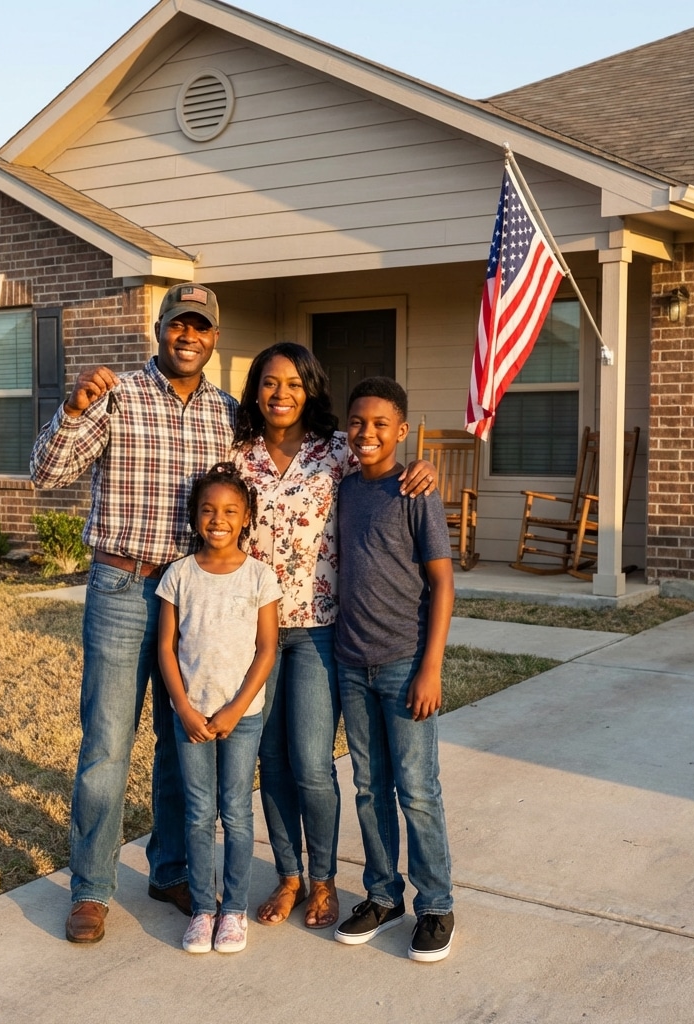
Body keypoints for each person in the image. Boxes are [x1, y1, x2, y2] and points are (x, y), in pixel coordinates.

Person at [29, 283, 235, 944]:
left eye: (200, 328)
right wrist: (72, 407)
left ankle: (170, 869)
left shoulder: (227, 414)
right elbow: (46, 473)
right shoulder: (117, 397)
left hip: (191, 594)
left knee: (181, 743)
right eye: (179, 325)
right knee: (107, 744)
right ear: (160, 328)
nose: (188, 337)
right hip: (121, 587)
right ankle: (90, 888)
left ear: (213, 338)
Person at [231, 344, 436, 930]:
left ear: (310, 390)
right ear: (256, 390)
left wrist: (427, 467)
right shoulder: (237, 455)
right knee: (270, 763)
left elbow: (387, 461)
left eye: (294, 384)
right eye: (270, 383)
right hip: (256, 633)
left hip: (321, 633)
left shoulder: (336, 451)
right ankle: (289, 875)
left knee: (312, 765)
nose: (280, 394)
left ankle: (324, 879)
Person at [332, 376, 456, 963]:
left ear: (401, 431)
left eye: (381, 424)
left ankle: (435, 904)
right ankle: (383, 896)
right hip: (352, 662)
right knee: (367, 787)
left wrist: (430, 667)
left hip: (405, 663)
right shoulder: (345, 488)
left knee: (418, 790)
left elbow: (442, 582)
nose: (367, 433)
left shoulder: (416, 492)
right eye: (358, 422)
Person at [156, 464, 281, 954]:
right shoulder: (179, 575)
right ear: (194, 517)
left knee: (235, 811)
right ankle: (204, 908)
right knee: (198, 812)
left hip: (242, 717)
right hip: (190, 716)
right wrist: (184, 709)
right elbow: (166, 649)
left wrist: (234, 710)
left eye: (230, 510)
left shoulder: (259, 577)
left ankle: (234, 911)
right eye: (208, 509)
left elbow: (267, 649)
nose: (218, 519)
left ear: (246, 517)